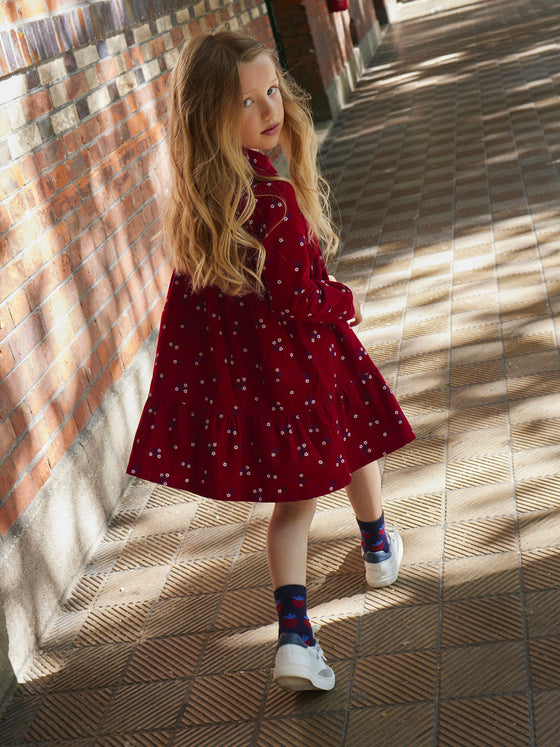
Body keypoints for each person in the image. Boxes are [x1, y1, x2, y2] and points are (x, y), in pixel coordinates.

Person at [127, 27, 415, 693]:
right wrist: (343, 298)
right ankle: (377, 549)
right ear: (212, 119)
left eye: (271, 92)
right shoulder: (273, 199)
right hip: (309, 367)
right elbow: (299, 295)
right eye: (248, 102)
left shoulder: (201, 206)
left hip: (259, 380)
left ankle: (296, 633)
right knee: (356, 443)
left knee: (294, 505)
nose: (269, 110)